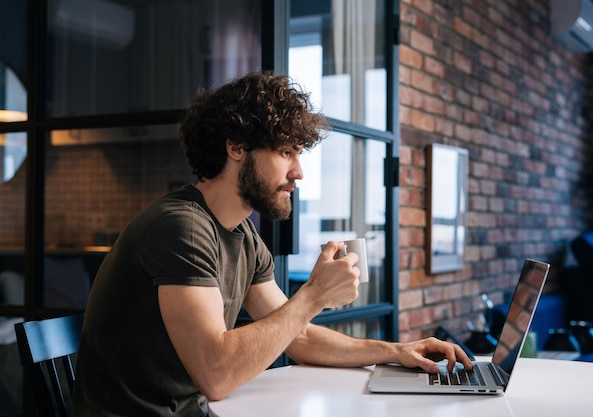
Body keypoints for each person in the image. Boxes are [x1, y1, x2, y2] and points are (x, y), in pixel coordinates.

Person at [71, 71, 473, 417]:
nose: (298, 172)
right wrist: (314, 296)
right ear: (236, 147)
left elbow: (297, 336)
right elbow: (216, 374)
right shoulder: (181, 228)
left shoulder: (243, 235)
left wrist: (396, 351)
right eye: (285, 152)